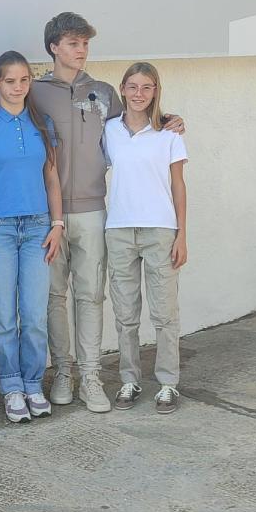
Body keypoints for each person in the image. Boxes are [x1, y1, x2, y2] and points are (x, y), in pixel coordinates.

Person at [31, 12, 184, 412]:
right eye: (72, 43)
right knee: (53, 296)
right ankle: (63, 373)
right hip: (47, 215)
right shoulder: (33, 92)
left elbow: (137, 124)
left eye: (84, 44)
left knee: (91, 297)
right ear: (53, 47)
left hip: (95, 212)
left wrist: (170, 119)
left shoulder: (102, 92)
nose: (80, 50)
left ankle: (92, 378)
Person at [0, 51, 63, 423]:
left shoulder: (42, 124)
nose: (18, 87)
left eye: (24, 80)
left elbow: (52, 178)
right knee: (5, 316)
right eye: (10, 80)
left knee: (35, 314)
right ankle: (11, 387)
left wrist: (58, 225)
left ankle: (33, 383)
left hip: (39, 227)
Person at [103, 62, 188, 414]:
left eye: (147, 87)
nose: (139, 94)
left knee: (165, 312)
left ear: (156, 91)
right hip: (119, 229)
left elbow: (178, 185)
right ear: (122, 89)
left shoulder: (169, 133)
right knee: (125, 314)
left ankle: (168, 383)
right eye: (133, 87)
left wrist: (182, 234)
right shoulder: (108, 130)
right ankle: (129, 379)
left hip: (159, 230)